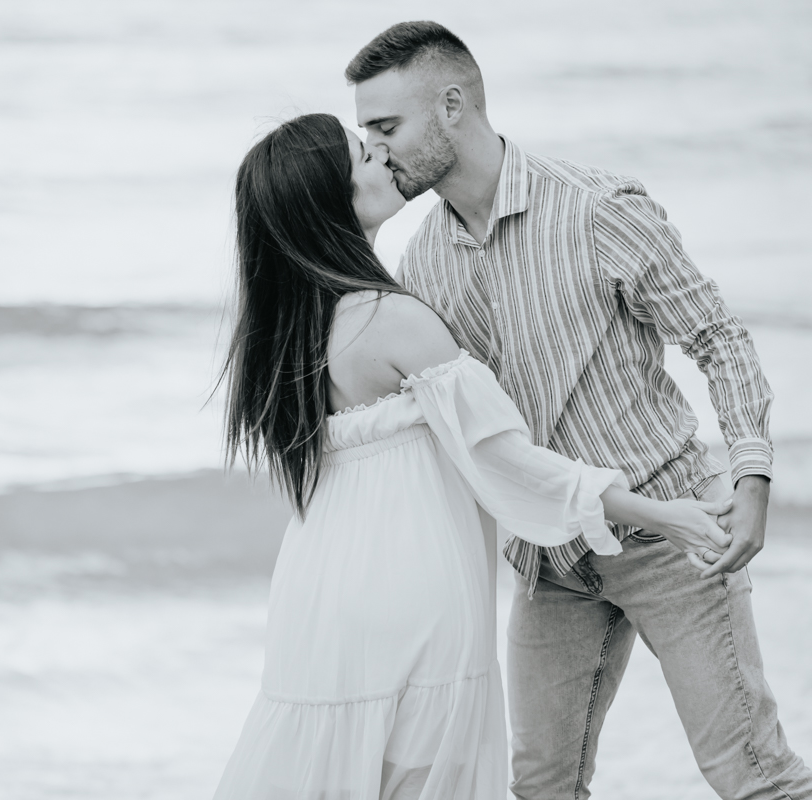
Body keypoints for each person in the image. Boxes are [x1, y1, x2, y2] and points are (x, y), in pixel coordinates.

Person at [346, 21, 812, 800]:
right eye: (369, 133)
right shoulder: (421, 262)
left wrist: (752, 475)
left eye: (387, 127)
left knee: (752, 776)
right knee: (541, 788)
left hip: (674, 540)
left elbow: (718, 338)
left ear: (453, 104)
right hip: (551, 562)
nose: (378, 150)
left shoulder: (597, 208)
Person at [212, 112, 730, 800]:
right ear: (328, 197)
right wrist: (658, 514)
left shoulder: (299, 326)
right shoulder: (389, 317)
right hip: (410, 593)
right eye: (361, 154)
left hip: (320, 594)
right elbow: (505, 460)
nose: (382, 156)